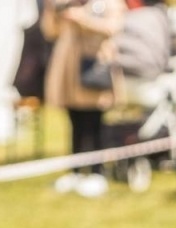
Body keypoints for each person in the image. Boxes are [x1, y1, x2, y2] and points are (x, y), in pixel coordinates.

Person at [42, 0, 125, 199]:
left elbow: (113, 28)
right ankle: (76, 172)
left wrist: (82, 19)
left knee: (95, 124)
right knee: (75, 123)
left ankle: (97, 172)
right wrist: (51, 11)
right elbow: (50, 32)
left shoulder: (109, 3)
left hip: (94, 66)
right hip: (69, 70)